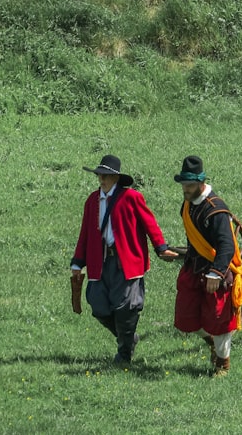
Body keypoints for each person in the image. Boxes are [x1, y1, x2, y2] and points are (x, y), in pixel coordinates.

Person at [72, 154, 170, 364]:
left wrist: (160, 246)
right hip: (100, 262)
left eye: (106, 176)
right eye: (100, 175)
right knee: (98, 305)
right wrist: (77, 262)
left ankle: (124, 355)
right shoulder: (91, 200)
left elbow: (149, 223)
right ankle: (127, 338)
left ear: (116, 178)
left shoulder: (132, 197)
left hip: (126, 261)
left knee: (126, 308)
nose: (102, 179)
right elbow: (85, 234)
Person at [170, 155, 242, 377]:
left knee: (219, 321)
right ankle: (212, 343)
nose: (185, 189)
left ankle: (222, 364)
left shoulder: (216, 211)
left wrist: (216, 273)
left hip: (217, 272)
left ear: (201, 183)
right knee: (186, 316)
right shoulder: (187, 206)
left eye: (189, 185)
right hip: (194, 269)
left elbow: (226, 246)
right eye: (184, 185)